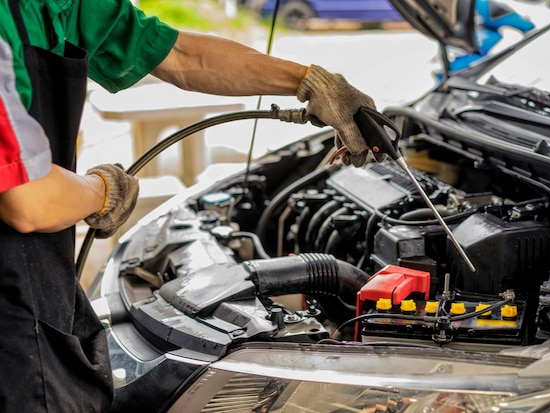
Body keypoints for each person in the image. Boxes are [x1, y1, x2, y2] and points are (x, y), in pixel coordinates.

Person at [0, 0, 378, 411]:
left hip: (36, 286)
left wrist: (309, 82)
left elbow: (181, 55)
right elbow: (28, 199)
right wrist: (102, 191)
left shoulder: (54, 5)